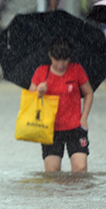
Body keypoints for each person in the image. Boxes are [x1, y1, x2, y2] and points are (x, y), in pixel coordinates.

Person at [29, 37, 94, 172]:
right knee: (52, 171)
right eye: (56, 59)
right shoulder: (41, 72)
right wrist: (39, 92)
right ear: (50, 56)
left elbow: (89, 93)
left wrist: (84, 117)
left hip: (75, 126)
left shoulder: (77, 70)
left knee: (80, 168)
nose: (60, 64)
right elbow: (29, 99)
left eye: (64, 59)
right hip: (50, 128)